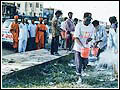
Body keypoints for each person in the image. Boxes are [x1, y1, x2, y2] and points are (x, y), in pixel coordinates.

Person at [73, 12, 95, 83]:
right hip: (78, 47)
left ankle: (82, 71)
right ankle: (79, 77)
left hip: (86, 48)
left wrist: (89, 40)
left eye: (90, 20)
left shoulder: (91, 26)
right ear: (84, 18)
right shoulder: (79, 25)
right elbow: (76, 38)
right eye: (88, 19)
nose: (89, 21)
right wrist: (82, 46)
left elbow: (91, 36)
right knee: (79, 63)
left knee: (85, 62)